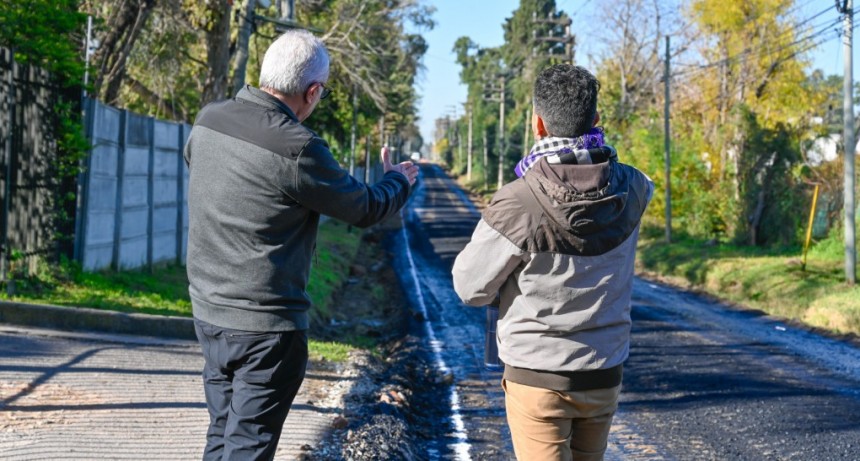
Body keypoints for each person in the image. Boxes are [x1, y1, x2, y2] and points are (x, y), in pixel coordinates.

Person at [184, 29, 418, 461]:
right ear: (312, 91)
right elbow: (363, 207)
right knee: (248, 444)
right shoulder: (297, 147)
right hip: (266, 328)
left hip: (209, 312)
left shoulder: (208, 121)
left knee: (223, 433)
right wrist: (398, 180)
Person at [452, 64, 653, 461]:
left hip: (537, 378)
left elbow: (469, 288)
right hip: (604, 372)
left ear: (537, 124)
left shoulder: (518, 202)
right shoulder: (635, 187)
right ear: (596, 119)